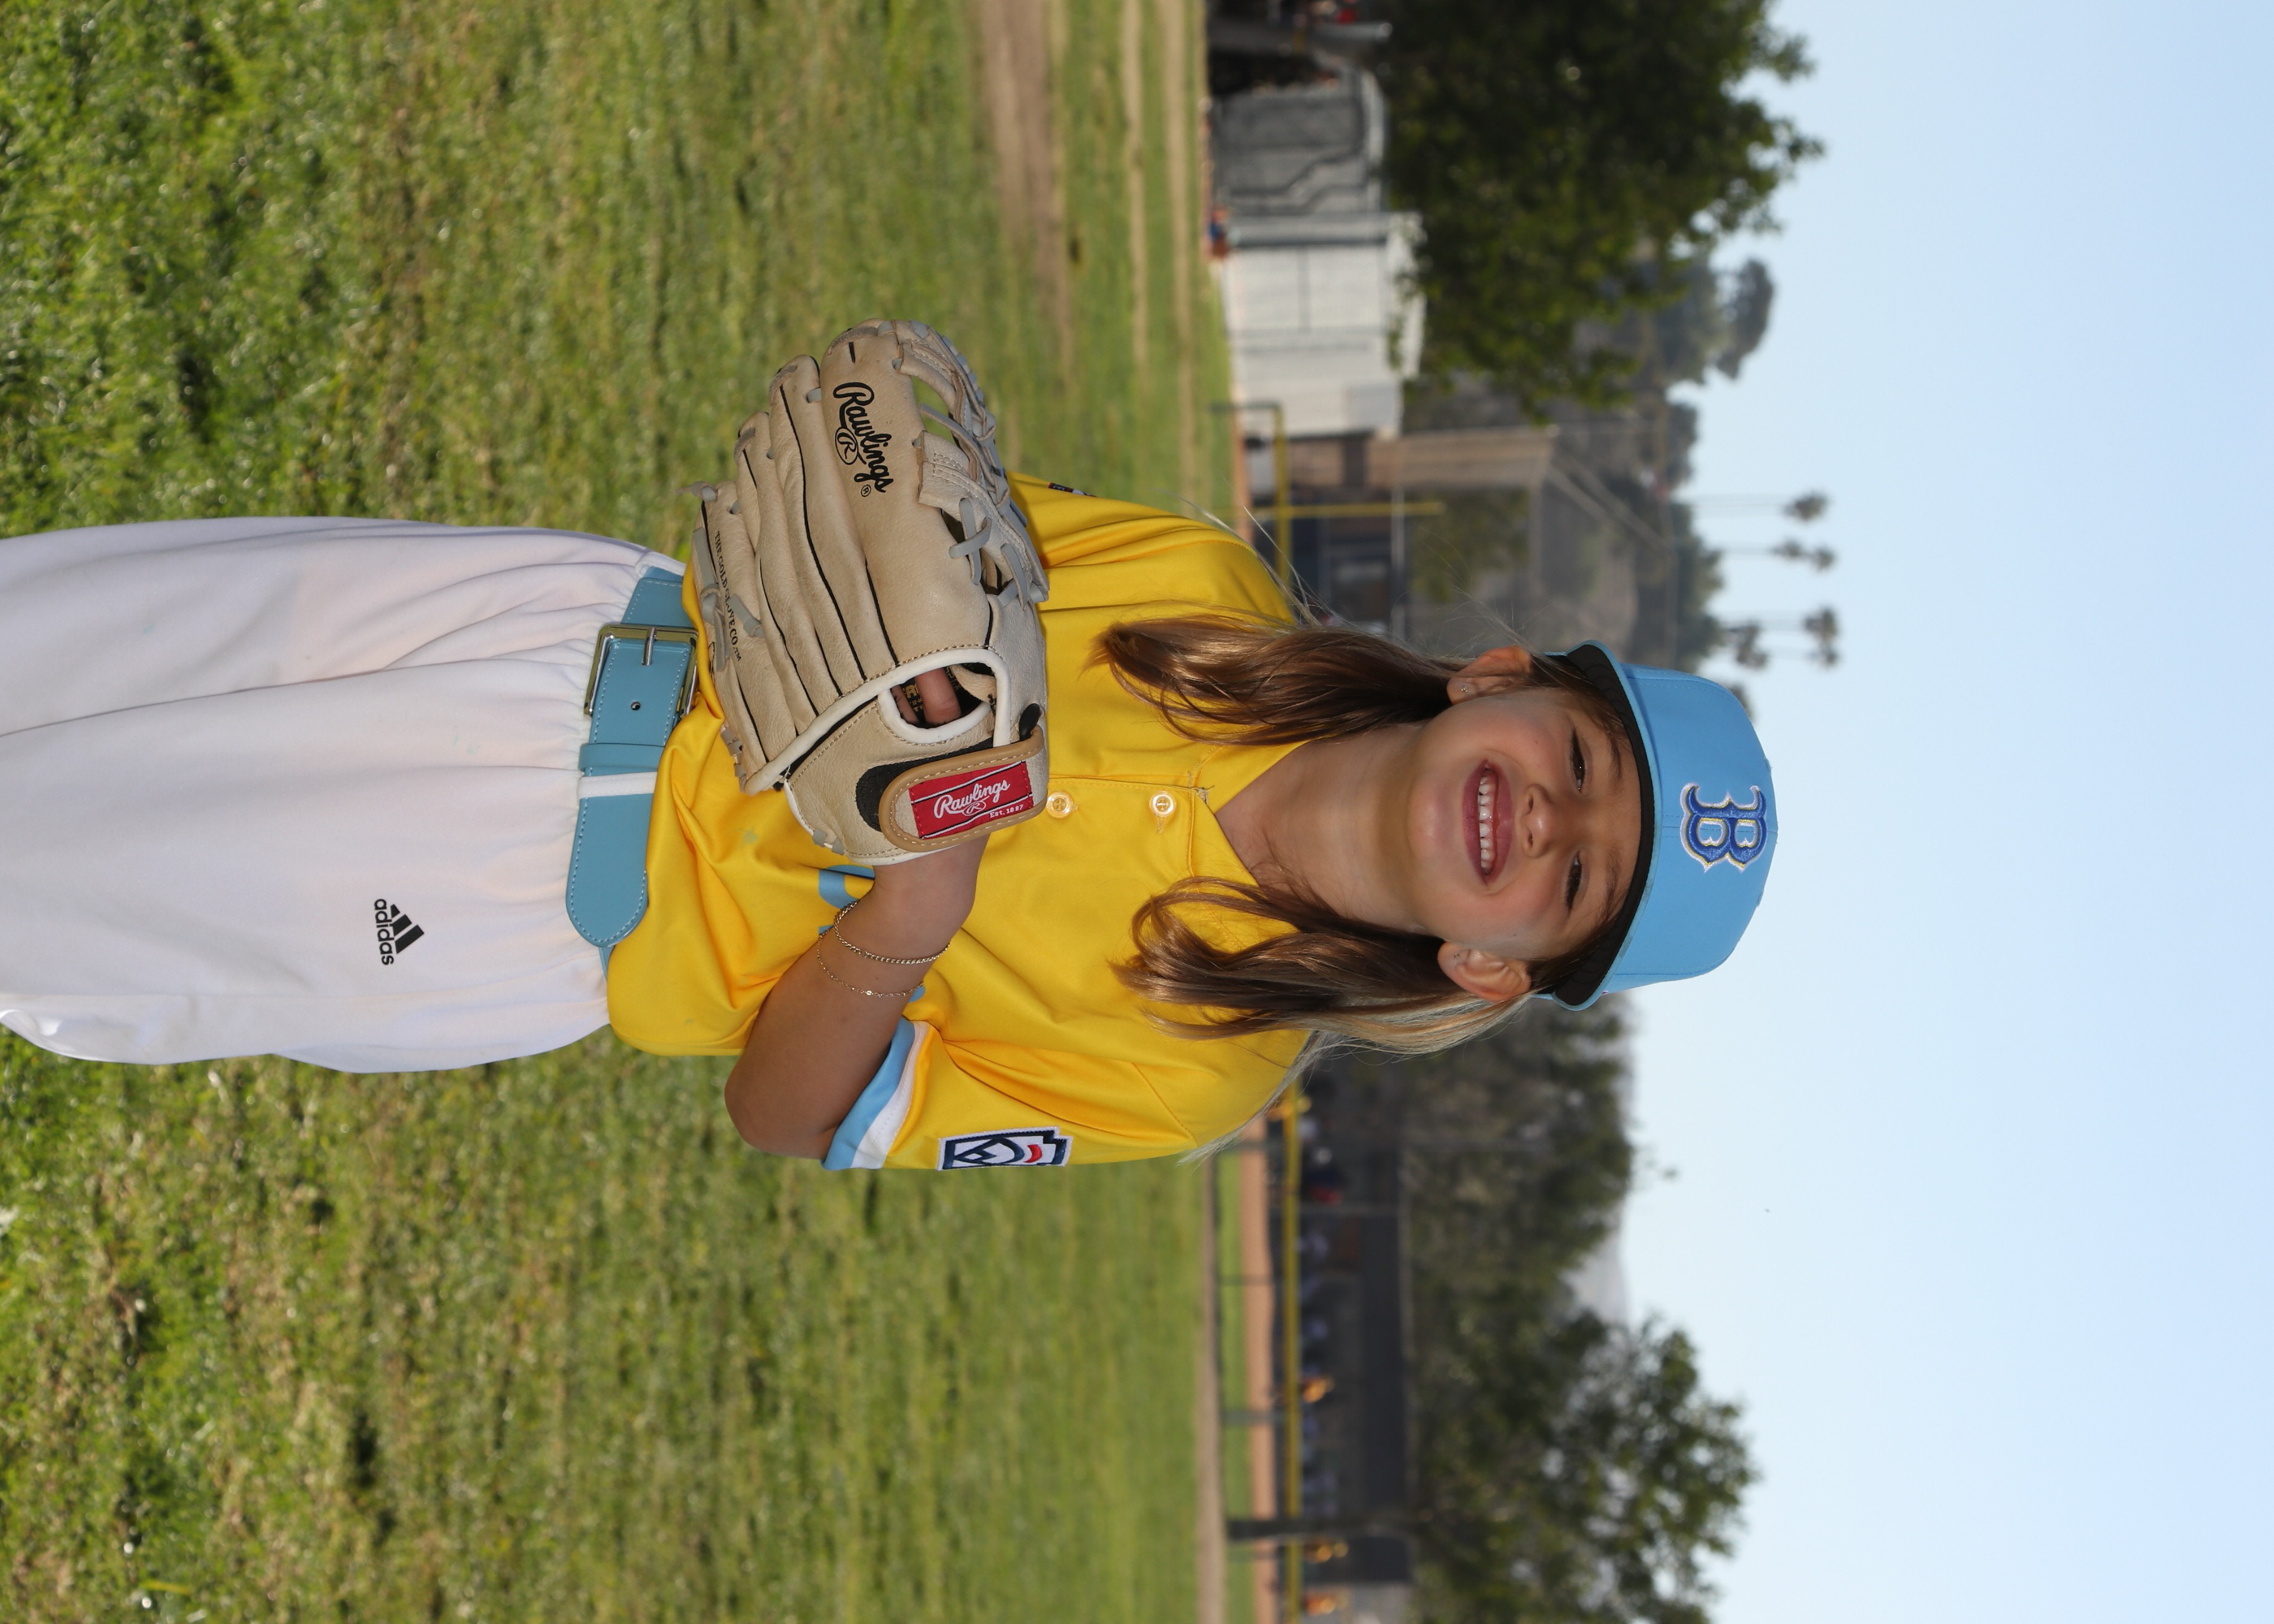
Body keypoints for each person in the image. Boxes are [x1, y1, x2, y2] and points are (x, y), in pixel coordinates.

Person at [0, 479, 1776, 1170]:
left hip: (524, 904)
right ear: (1497, 678)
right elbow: (856, 520)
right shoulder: (1201, 588)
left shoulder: (1200, 1071)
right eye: (1579, 755)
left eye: (1578, 881)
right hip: (558, 634)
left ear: (1493, 962)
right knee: (54, 638)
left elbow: (789, 1116)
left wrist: (906, 918)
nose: (1546, 817)